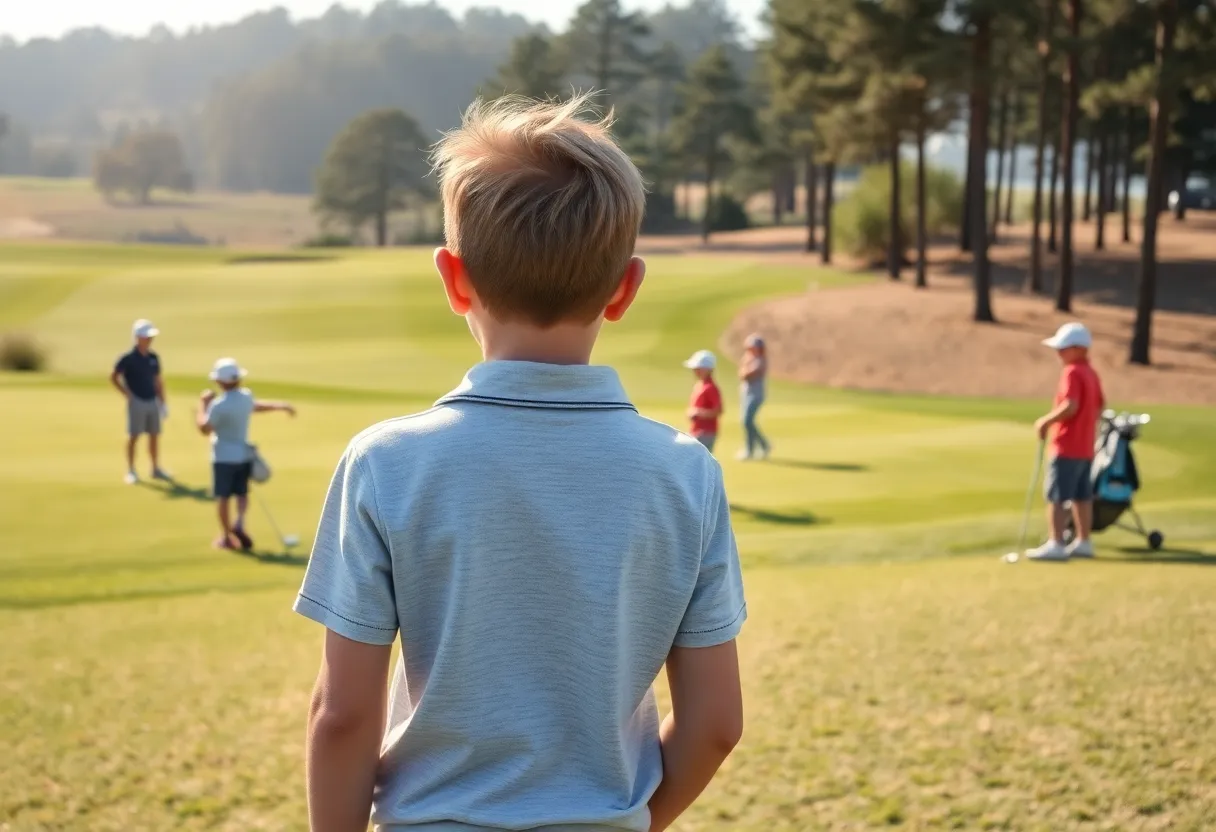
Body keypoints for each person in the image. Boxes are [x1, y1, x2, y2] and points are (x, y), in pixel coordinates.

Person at [293, 95, 745, 832]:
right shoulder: (686, 474)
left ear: (453, 278)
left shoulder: (386, 463)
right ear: (625, 288)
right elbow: (717, 723)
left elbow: (342, 716)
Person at [196, 357, 295, 551]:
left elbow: (204, 428)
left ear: (220, 382)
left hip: (223, 457)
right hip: (243, 454)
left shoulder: (218, 405)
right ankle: (240, 521)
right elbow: (256, 406)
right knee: (242, 493)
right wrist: (279, 405)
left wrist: (203, 405)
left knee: (223, 497)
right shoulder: (245, 396)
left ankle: (226, 537)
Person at [1028, 322, 1105, 561]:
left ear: (1078, 349)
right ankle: (1083, 541)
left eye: (1063, 348)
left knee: (1057, 496)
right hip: (1085, 446)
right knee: (1082, 496)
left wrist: (1045, 422)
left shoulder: (1072, 372)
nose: (1059, 353)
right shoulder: (1091, 373)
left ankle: (1057, 543)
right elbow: (1100, 406)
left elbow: (1070, 406)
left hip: (1066, 444)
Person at [110, 318, 170, 485]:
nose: (150, 339)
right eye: (146, 336)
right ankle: (131, 470)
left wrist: (163, 402)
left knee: (154, 435)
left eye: (151, 337)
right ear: (137, 337)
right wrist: (127, 394)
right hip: (137, 401)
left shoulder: (153, 357)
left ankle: (155, 468)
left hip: (152, 400)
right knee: (134, 436)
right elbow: (114, 377)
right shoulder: (128, 358)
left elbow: (158, 380)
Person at [737, 334, 770, 461]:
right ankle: (762, 445)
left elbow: (746, 375)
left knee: (747, 420)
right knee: (746, 421)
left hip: (756, 395)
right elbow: (741, 373)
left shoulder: (760, 360)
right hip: (746, 393)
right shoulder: (749, 358)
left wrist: (744, 369)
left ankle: (751, 449)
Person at [683, 349, 723, 454]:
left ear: (707, 369)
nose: (695, 371)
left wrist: (698, 412)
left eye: (698, 368)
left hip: (706, 433)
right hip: (697, 431)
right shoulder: (700, 385)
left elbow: (718, 410)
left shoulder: (710, 388)